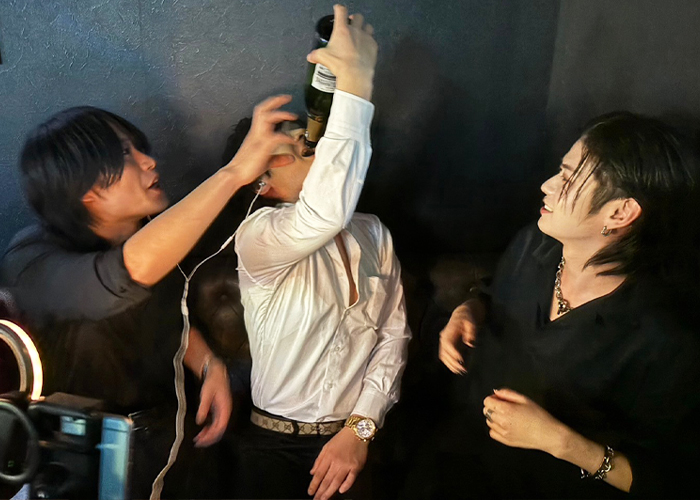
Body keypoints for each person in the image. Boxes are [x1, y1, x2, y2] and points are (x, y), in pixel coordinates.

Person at [0, 93, 298, 497]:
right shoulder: (32, 260)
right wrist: (233, 173)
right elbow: (122, 279)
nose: (149, 161)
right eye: (126, 154)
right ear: (85, 189)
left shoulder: (151, 233)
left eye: (141, 149)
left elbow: (162, 302)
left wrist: (208, 363)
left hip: (173, 443)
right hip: (79, 463)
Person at [437, 112, 700, 498]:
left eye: (568, 178)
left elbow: (672, 480)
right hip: (466, 457)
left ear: (620, 212)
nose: (547, 186)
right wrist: (470, 310)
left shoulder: (665, 338)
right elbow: (495, 295)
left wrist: (561, 442)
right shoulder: (534, 244)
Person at [233, 6, 411, 500]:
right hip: (273, 447)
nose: (306, 142)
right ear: (263, 184)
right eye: (291, 149)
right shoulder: (258, 236)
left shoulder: (374, 232)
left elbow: (393, 336)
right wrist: (356, 83)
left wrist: (360, 430)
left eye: (304, 137)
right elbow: (325, 212)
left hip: (351, 444)